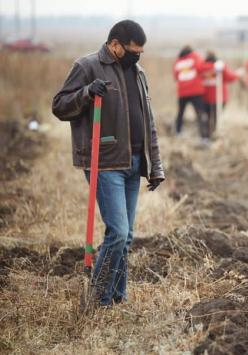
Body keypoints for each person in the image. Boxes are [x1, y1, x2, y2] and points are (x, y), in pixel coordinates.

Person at [52, 20, 165, 306]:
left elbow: (148, 122)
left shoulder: (138, 73)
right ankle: (97, 298)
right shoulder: (87, 66)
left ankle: (117, 297)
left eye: (140, 52)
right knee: (118, 232)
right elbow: (60, 105)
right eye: (132, 51)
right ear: (115, 44)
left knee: (126, 237)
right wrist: (87, 93)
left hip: (134, 162)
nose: (136, 56)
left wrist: (156, 165)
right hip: (105, 163)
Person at [201, 51, 240, 143]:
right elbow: (230, 77)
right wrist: (237, 74)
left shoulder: (201, 67)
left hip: (205, 98)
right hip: (219, 98)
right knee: (216, 117)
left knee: (208, 117)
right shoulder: (219, 66)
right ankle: (214, 133)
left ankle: (207, 135)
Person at [173, 45, 206, 139]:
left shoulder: (178, 61)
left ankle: (178, 132)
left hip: (182, 91)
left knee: (180, 113)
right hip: (196, 91)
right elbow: (201, 69)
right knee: (200, 113)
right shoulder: (195, 57)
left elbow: (175, 76)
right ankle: (203, 136)